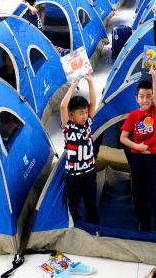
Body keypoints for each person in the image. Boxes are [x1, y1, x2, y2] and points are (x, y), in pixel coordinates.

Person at [120, 67, 156, 233]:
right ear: (136, 99)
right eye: (142, 97)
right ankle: (143, 225)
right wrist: (137, 146)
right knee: (138, 194)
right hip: (137, 159)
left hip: (152, 160)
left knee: (154, 195)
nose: (145, 100)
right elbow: (123, 138)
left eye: (149, 96)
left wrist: (155, 77)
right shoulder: (133, 115)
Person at [60, 74, 99, 224]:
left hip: (89, 171)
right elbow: (63, 106)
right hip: (73, 175)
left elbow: (93, 102)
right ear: (71, 115)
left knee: (91, 202)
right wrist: (73, 85)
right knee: (73, 204)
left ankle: (94, 226)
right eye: (80, 113)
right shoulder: (68, 128)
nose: (84, 116)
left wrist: (90, 81)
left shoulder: (88, 123)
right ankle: (76, 227)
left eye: (86, 112)